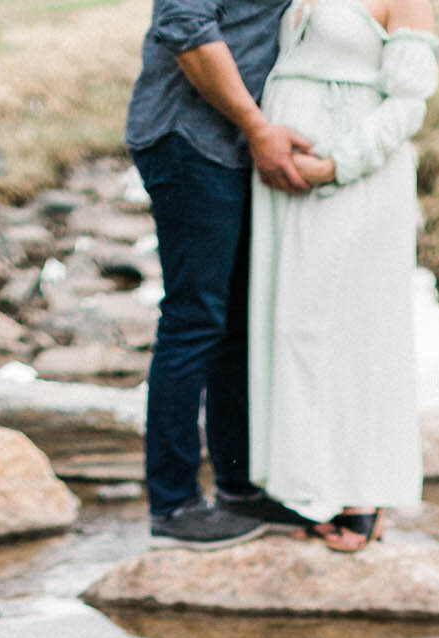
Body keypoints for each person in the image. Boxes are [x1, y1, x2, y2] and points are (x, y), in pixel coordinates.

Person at [127, 0, 331, 549]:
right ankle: (173, 504)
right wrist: (259, 126)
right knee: (195, 320)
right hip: (191, 138)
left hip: (235, 147)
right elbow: (184, 27)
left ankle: (238, 488)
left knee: (237, 327)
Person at [248, 0, 439, 550]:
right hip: (286, 180)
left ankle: (363, 492)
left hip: (355, 177)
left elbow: (408, 103)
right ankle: (308, 487)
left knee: (352, 328)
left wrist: (338, 163)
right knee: (292, 327)